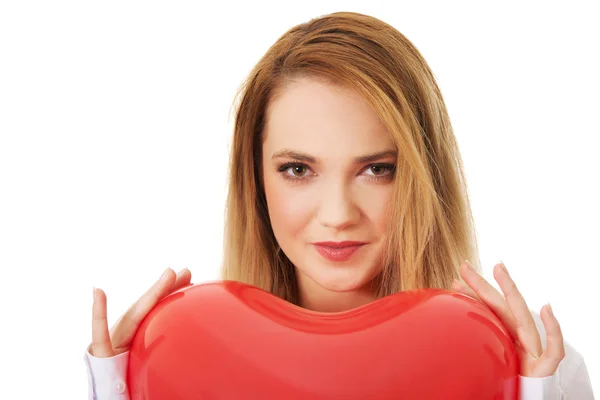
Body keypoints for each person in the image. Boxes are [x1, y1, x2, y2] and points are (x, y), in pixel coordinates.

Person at [84, 11, 594, 399]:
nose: (338, 213)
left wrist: (526, 390)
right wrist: (120, 386)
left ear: (423, 174)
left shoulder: (536, 366)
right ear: (255, 181)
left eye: (377, 169)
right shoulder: (191, 354)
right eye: (298, 170)